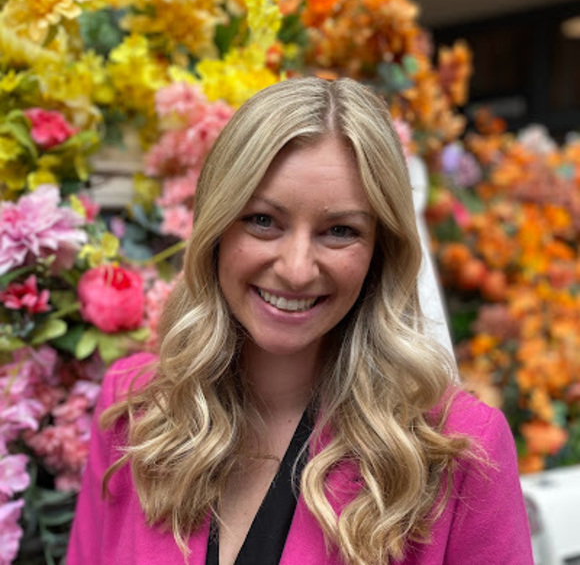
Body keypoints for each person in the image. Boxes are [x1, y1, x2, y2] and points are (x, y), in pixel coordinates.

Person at [67, 77, 533, 565]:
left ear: (380, 251)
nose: (295, 270)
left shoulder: (460, 451)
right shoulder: (136, 410)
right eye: (263, 221)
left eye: (340, 231)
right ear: (216, 229)